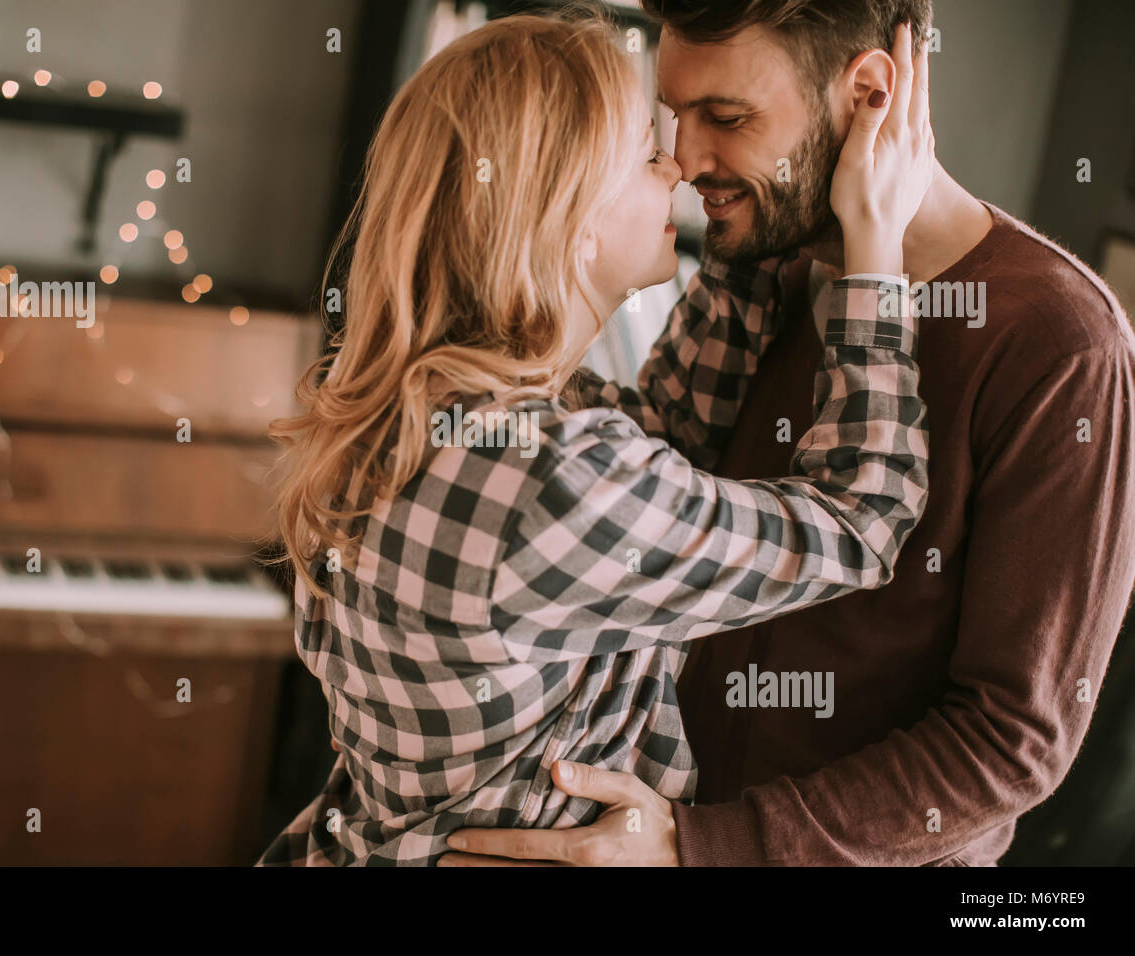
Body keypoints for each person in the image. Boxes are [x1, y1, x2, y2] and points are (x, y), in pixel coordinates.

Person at [440, 0, 1135, 868]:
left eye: (726, 118)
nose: (686, 160)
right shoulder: (757, 266)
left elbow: (1013, 740)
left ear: (872, 93)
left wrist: (704, 848)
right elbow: (645, 474)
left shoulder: (1061, 344)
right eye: (676, 115)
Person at [259, 10, 935, 865]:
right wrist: (873, 252)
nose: (681, 167)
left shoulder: (414, 414)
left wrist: (757, 210)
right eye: (648, 154)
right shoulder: (556, 479)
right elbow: (864, 521)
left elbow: (672, 434)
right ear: (570, 217)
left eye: (709, 127)